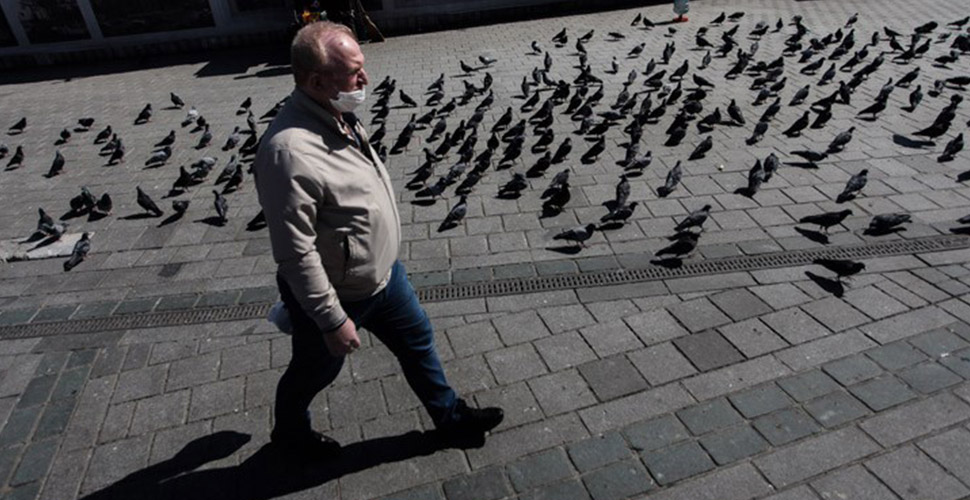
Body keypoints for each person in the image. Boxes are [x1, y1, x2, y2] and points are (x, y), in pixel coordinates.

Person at [253, 21, 503, 460]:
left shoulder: (336, 114)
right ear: (315, 80)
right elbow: (295, 252)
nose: (365, 79)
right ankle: (290, 434)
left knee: (419, 341)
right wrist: (331, 320)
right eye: (354, 72)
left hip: (385, 276)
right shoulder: (288, 153)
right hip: (339, 294)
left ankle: (450, 419)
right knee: (313, 372)